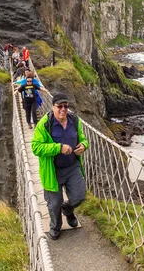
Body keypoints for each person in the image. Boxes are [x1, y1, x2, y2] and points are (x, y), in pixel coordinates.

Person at [31, 92, 88, 240]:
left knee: (79, 196)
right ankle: (55, 227)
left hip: (72, 167)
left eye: (66, 106)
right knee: (54, 204)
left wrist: (83, 145)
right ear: (53, 106)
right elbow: (36, 148)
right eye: (60, 106)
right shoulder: (44, 124)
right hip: (52, 170)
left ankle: (68, 210)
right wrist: (58, 148)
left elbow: (82, 138)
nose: (63, 109)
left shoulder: (74, 120)